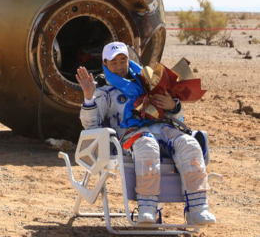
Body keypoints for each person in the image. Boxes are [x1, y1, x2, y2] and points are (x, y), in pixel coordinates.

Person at [77, 41, 216, 226]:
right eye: (113, 62)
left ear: (128, 60)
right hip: (130, 137)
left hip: (161, 128)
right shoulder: (104, 91)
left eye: (122, 60)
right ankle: (147, 208)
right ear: (105, 65)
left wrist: (172, 106)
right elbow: (91, 125)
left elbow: (175, 117)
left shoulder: (148, 81)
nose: (119, 66)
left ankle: (198, 208)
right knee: (147, 146)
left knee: (189, 144)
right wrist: (88, 97)